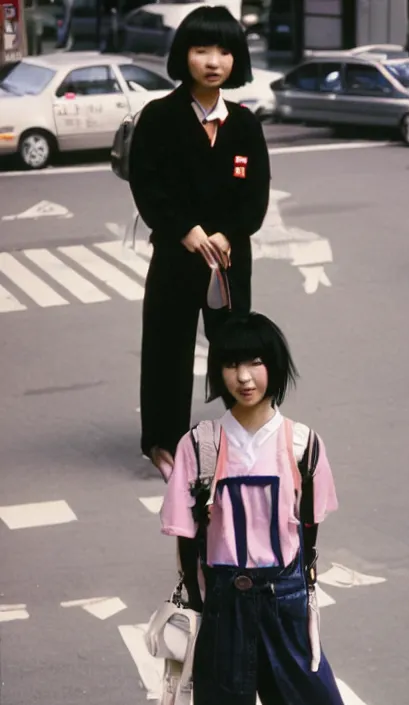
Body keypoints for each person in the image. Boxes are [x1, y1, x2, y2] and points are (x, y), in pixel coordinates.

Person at [160, 312, 354, 705]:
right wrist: (198, 604)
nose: (243, 377)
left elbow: (308, 528)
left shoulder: (303, 444)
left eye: (255, 362)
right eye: (230, 365)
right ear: (218, 372)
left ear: (276, 366)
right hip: (224, 606)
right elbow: (187, 537)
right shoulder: (200, 445)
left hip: (285, 603)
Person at [128, 6, 271, 480]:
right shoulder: (159, 117)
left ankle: (243, 434)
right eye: (201, 49)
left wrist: (228, 234)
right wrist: (185, 230)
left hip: (230, 258)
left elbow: (256, 196)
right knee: (167, 348)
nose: (213, 61)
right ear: (182, 54)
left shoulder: (245, 124)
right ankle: (163, 443)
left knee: (236, 348)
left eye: (225, 50)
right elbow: (147, 184)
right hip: (176, 253)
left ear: (237, 59)